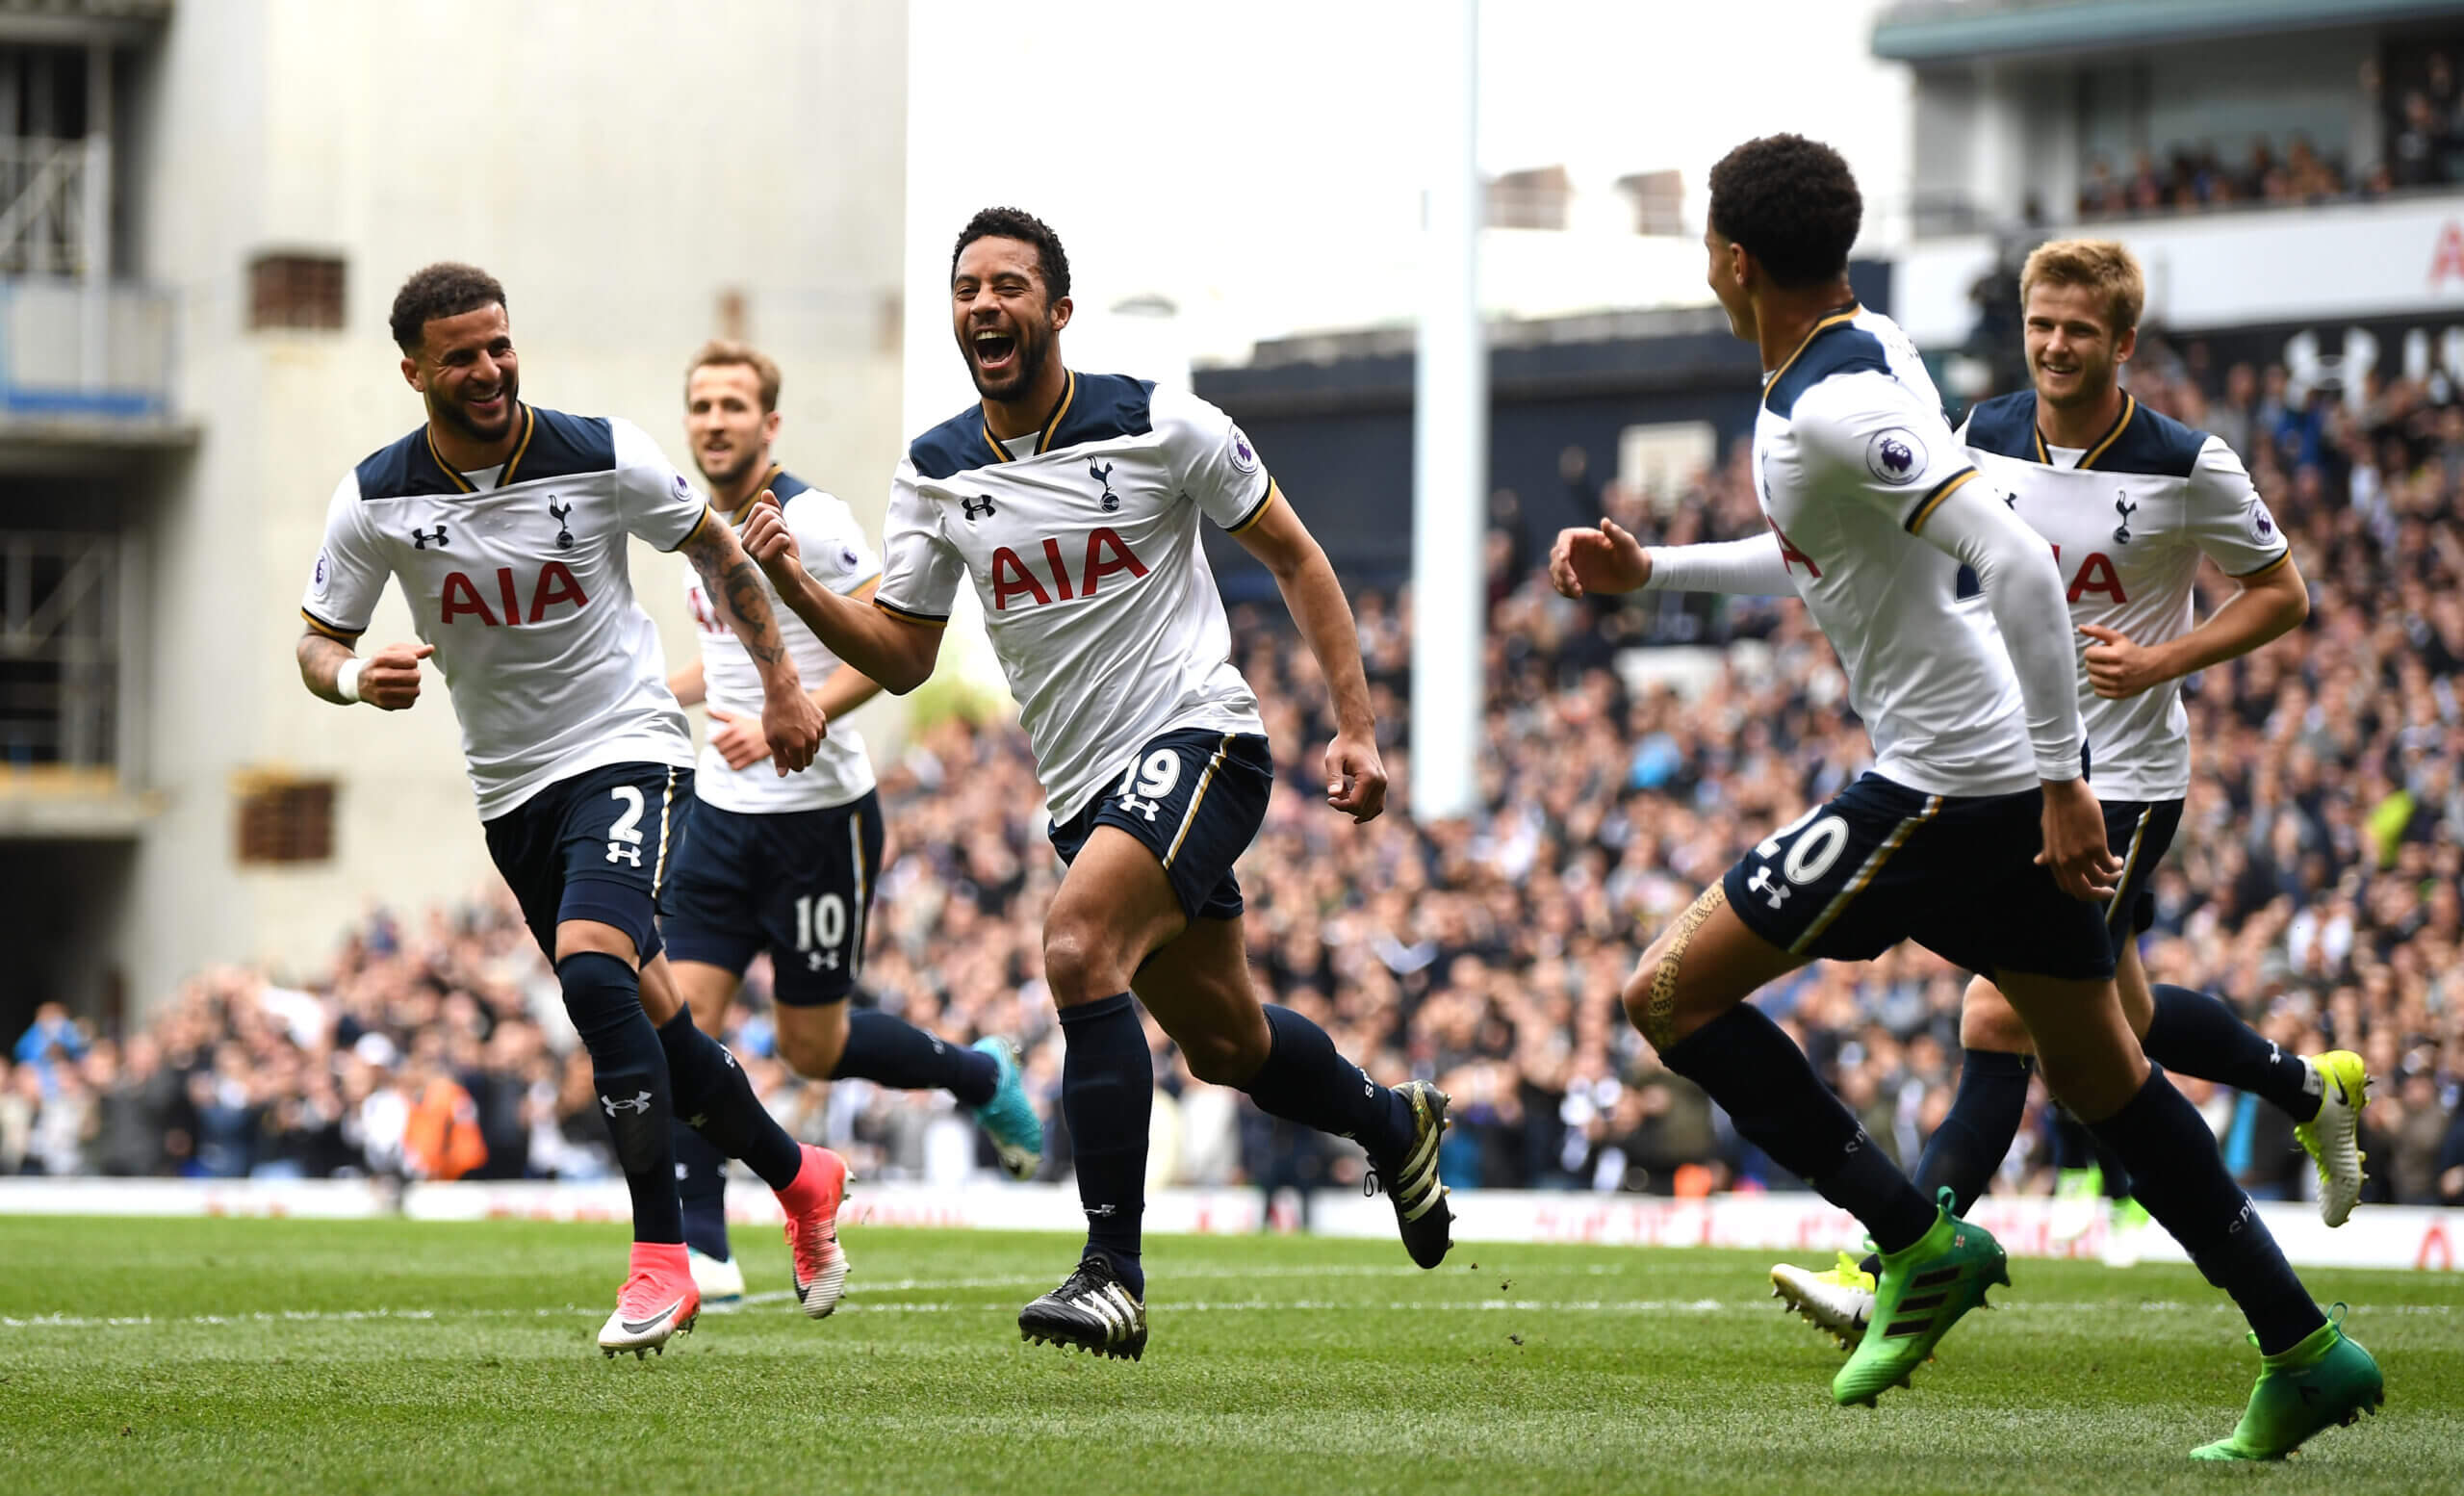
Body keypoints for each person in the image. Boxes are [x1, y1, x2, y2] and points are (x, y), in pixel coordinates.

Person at [1550, 137, 2379, 1456]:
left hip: (1950, 781)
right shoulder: (1866, 350)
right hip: (1990, 774)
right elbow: (1818, 549)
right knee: (2111, 1078)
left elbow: (2015, 563)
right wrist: (1655, 574)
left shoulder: (1833, 401)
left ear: (1731, 258)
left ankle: (1913, 1238)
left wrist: (2061, 780)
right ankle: (2304, 1343)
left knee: (1666, 994)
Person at [740, 206, 1451, 1360]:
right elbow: (906, 652)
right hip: (1086, 795)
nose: (984, 305)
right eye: (967, 288)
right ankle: (1390, 1122)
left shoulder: (1162, 423)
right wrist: (798, 590)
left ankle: (1110, 1272)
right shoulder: (933, 471)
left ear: (1056, 310)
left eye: (1008, 286)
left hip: (1201, 739)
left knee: (1074, 945)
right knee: (1227, 1048)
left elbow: (1296, 557)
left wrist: (1358, 729)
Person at [1766, 239, 2369, 1342]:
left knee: (2001, 1011)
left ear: (2122, 343)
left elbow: (2283, 597)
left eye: (2078, 331)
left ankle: (1887, 1268)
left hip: (2126, 780)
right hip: (2018, 767)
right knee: (2118, 1018)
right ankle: (2304, 1090)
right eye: (2041, 325)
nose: (2053, 346)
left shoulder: (2188, 463)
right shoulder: (1980, 437)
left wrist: (2161, 661)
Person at [295, 264, 853, 1357]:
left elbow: (716, 550)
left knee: (594, 964)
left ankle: (662, 1262)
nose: (490, 368)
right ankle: (802, 1174)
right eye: (461, 354)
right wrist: (358, 678)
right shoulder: (374, 497)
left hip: (631, 748)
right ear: (413, 370)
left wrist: (786, 684)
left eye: (499, 344)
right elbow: (315, 642)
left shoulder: (601, 452)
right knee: (650, 1020)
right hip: (511, 790)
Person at [657, 339, 1044, 1308]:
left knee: (812, 1048)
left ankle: (976, 1072)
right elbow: (732, 646)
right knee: (679, 1023)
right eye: (700, 405)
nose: (713, 421)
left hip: (818, 817)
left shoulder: (813, 520)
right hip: (719, 810)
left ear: (768, 424)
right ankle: (704, 1246)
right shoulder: (689, 520)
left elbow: (888, 643)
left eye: (733, 406)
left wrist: (805, 712)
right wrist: (666, 697)